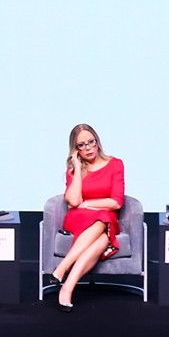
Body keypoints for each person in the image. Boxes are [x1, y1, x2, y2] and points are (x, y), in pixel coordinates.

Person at [45, 123, 125, 311]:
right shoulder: (75, 170)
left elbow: (116, 203)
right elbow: (74, 201)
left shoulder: (115, 164)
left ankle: (65, 281)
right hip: (79, 218)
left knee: (103, 232)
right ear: (76, 149)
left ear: (97, 142)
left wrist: (88, 204)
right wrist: (77, 168)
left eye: (91, 142)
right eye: (81, 145)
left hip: (105, 218)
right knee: (103, 228)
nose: (88, 148)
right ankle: (65, 278)